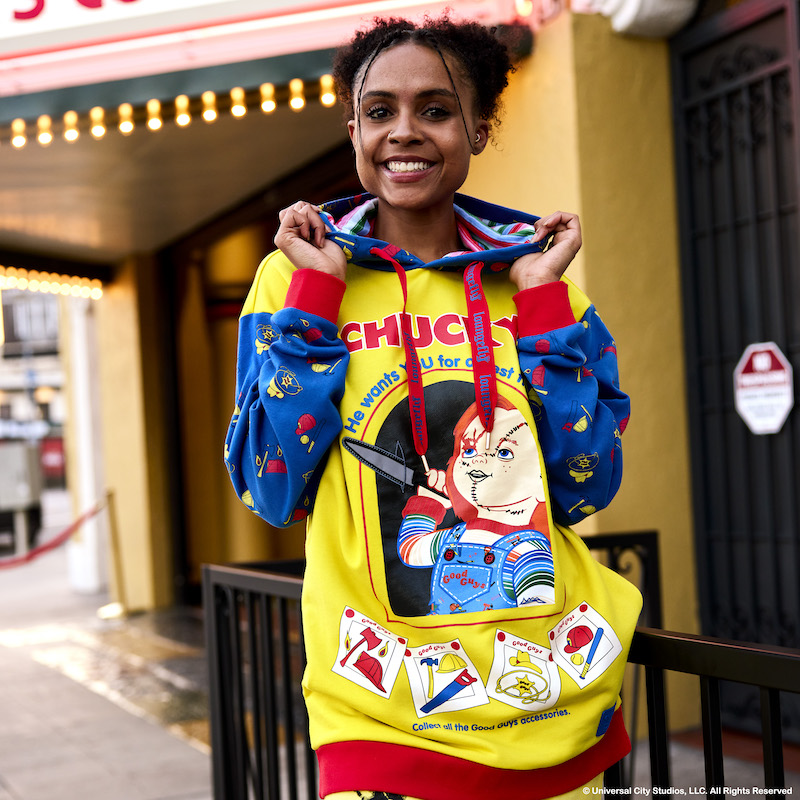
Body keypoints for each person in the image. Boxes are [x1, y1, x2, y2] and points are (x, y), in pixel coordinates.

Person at [225, 15, 642, 800]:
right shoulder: (292, 279)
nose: (403, 133)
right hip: (379, 721)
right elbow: (269, 489)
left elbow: (586, 486)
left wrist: (544, 305)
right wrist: (316, 302)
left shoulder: (543, 282)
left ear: (478, 129)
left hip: (553, 708)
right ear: (352, 129)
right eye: (379, 111)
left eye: (436, 110)